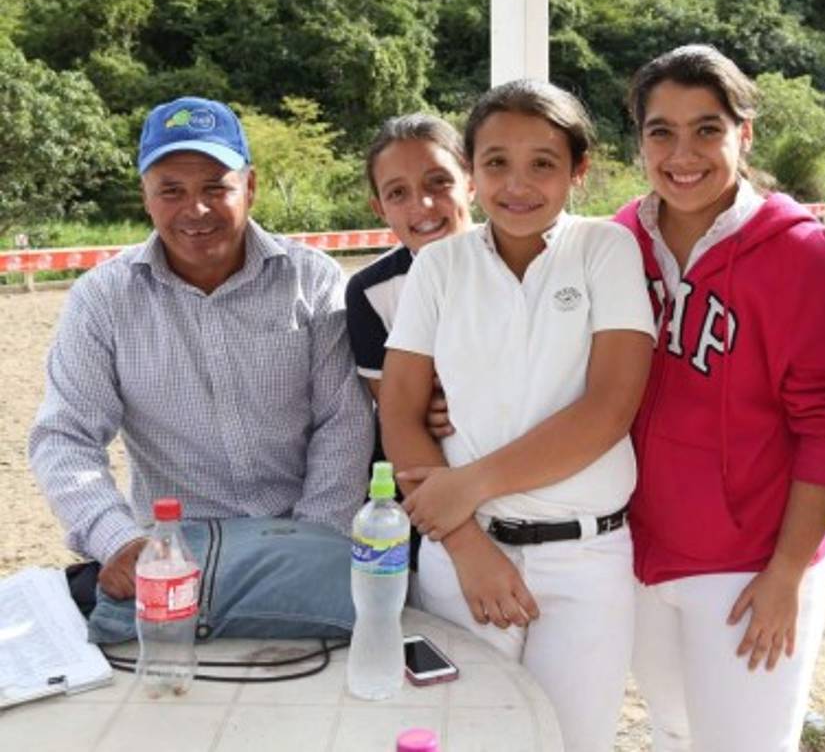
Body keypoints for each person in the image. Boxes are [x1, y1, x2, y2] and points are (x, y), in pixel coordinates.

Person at [29, 96, 375, 643]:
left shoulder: (312, 280)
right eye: (172, 190)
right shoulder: (102, 298)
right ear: (146, 196)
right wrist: (117, 540)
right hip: (170, 553)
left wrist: (313, 540)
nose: (196, 209)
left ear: (251, 187)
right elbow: (64, 437)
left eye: (216, 187)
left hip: (299, 532)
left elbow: (344, 419)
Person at [378, 80, 655, 752]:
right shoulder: (439, 268)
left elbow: (609, 408)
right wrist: (468, 545)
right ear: (472, 171)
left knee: (573, 739)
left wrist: (466, 485)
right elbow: (401, 407)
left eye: (543, 163)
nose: (517, 184)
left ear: (578, 170)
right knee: (469, 737)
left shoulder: (605, 250)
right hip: (463, 551)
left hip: (587, 559)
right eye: (496, 161)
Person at [612, 45, 825, 752]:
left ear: (743, 134)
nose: (682, 152)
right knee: (671, 729)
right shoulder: (615, 241)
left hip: (749, 562)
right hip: (637, 550)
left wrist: (786, 572)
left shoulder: (800, 254)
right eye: (661, 130)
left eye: (707, 129)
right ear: (639, 140)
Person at [344, 115, 475, 594]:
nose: (421, 205)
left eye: (439, 182)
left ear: (472, 180)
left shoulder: (527, 265)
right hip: (425, 490)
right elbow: (405, 413)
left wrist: (463, 398)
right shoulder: (372, 291)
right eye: (397, 193)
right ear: (379, 207)